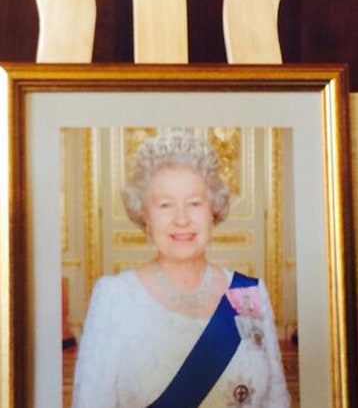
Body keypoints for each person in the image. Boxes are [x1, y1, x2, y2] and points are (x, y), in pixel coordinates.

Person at [72, 132, 290, 408]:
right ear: (145, 216)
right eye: (165, 205)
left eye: (195, 203)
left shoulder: (248, 294)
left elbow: (276, 400)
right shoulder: (115, 297)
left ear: (213, 210)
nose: (182, 219)